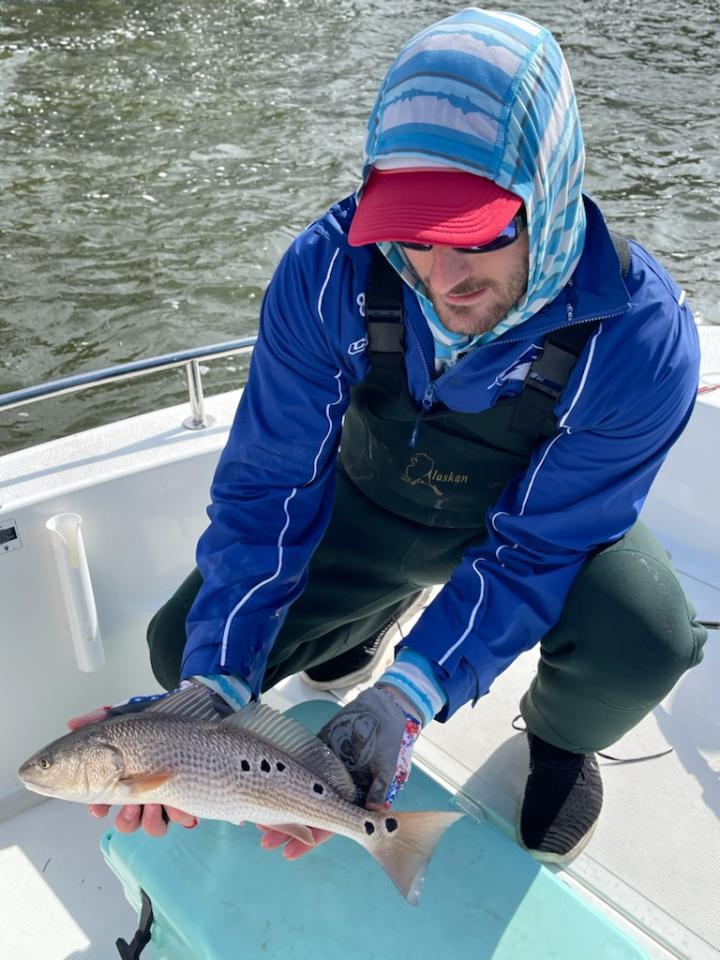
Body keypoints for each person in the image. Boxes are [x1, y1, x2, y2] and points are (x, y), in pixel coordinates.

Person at [80, 7, 707, 864]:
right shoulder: (329, 269)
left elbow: (537, 548)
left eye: (479, 232)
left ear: (550, 188)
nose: (440, 277)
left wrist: (411, 693)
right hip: (365, 506)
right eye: (410, 232)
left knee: (645, 634)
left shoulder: (640, 338)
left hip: (518, 530)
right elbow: (271, 485)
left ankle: (562, 738)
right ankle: (361, 622)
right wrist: (215, 688)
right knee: (179, 650)